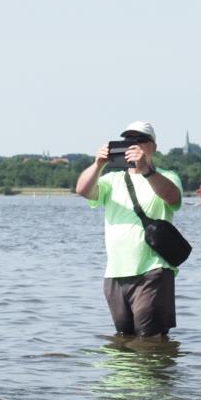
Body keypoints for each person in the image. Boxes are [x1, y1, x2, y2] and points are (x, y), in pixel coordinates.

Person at [76, 121, 183, 338]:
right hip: (115, 274)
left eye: (140, 140)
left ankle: (157, 362)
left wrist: (146, 170)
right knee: (124, 339)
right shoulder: (112, 180)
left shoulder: (167, 176)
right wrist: (98, 164)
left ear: (153, 147)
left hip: (152, 271)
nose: (133, 144)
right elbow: (83, 190)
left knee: (150, 338)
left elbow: (173, 198)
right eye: (128, 140)